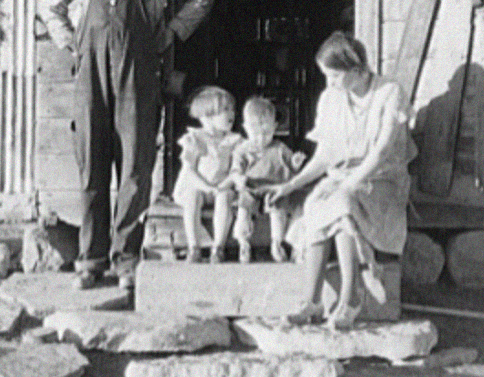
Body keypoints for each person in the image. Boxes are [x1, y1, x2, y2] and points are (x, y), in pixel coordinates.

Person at [39, 0, 214, 290]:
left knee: (135, 167)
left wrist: (173, 31)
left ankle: (127, 259)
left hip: (139, 75)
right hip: (91, 77)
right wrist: (69, 43)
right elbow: (49, 7)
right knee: (92, 166)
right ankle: (91, 258)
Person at [266, 31, 417, 329]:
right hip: (343, 176)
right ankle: (312, 301)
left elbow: (382, 151)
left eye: (334, 76)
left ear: (357, 70)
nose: (329, 83)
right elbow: (325, 155)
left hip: (383, 179)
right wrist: (290, 185)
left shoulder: (389, 92)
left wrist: (347, 186)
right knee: (317, 202)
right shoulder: (331, 99)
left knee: (342, 202)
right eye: (326, 76)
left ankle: (350, 297)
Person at [222, 96, 304, 263]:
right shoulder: (242, 150)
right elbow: (235, 171)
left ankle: (277, 242)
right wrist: (240, 179)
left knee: (278, 211)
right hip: (251, 188)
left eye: (266, 132)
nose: (261, 138)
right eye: (255, 133)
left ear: (275, 127)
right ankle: (243, 242)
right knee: (243, 210)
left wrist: (295, 163)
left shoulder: (280, 148)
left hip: (275, 189)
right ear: (245, 128)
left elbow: (292, 168)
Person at [172, 86, 243, 264]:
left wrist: (223, 185)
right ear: (207, 117)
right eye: (225, 110)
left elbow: (235, 169)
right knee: (192, 197)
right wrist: (207, 187)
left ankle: (218, 247)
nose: (231, 114)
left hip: (221, 186)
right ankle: (194, 246)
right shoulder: (195, 139)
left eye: (232, 109)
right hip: (197, 186)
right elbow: (189, 170)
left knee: (225, 197)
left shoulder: (233, 141)